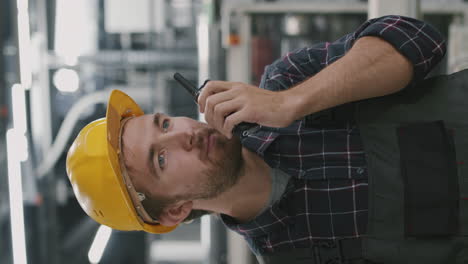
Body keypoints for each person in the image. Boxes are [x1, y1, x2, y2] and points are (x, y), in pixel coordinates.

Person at [66, 15, 446, 261]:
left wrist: (292, 102)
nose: (185, 134)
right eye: (160, 160)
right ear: (176, 210)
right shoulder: (294, 256)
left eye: (164, 124)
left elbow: (417, 39)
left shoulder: (285, 82)